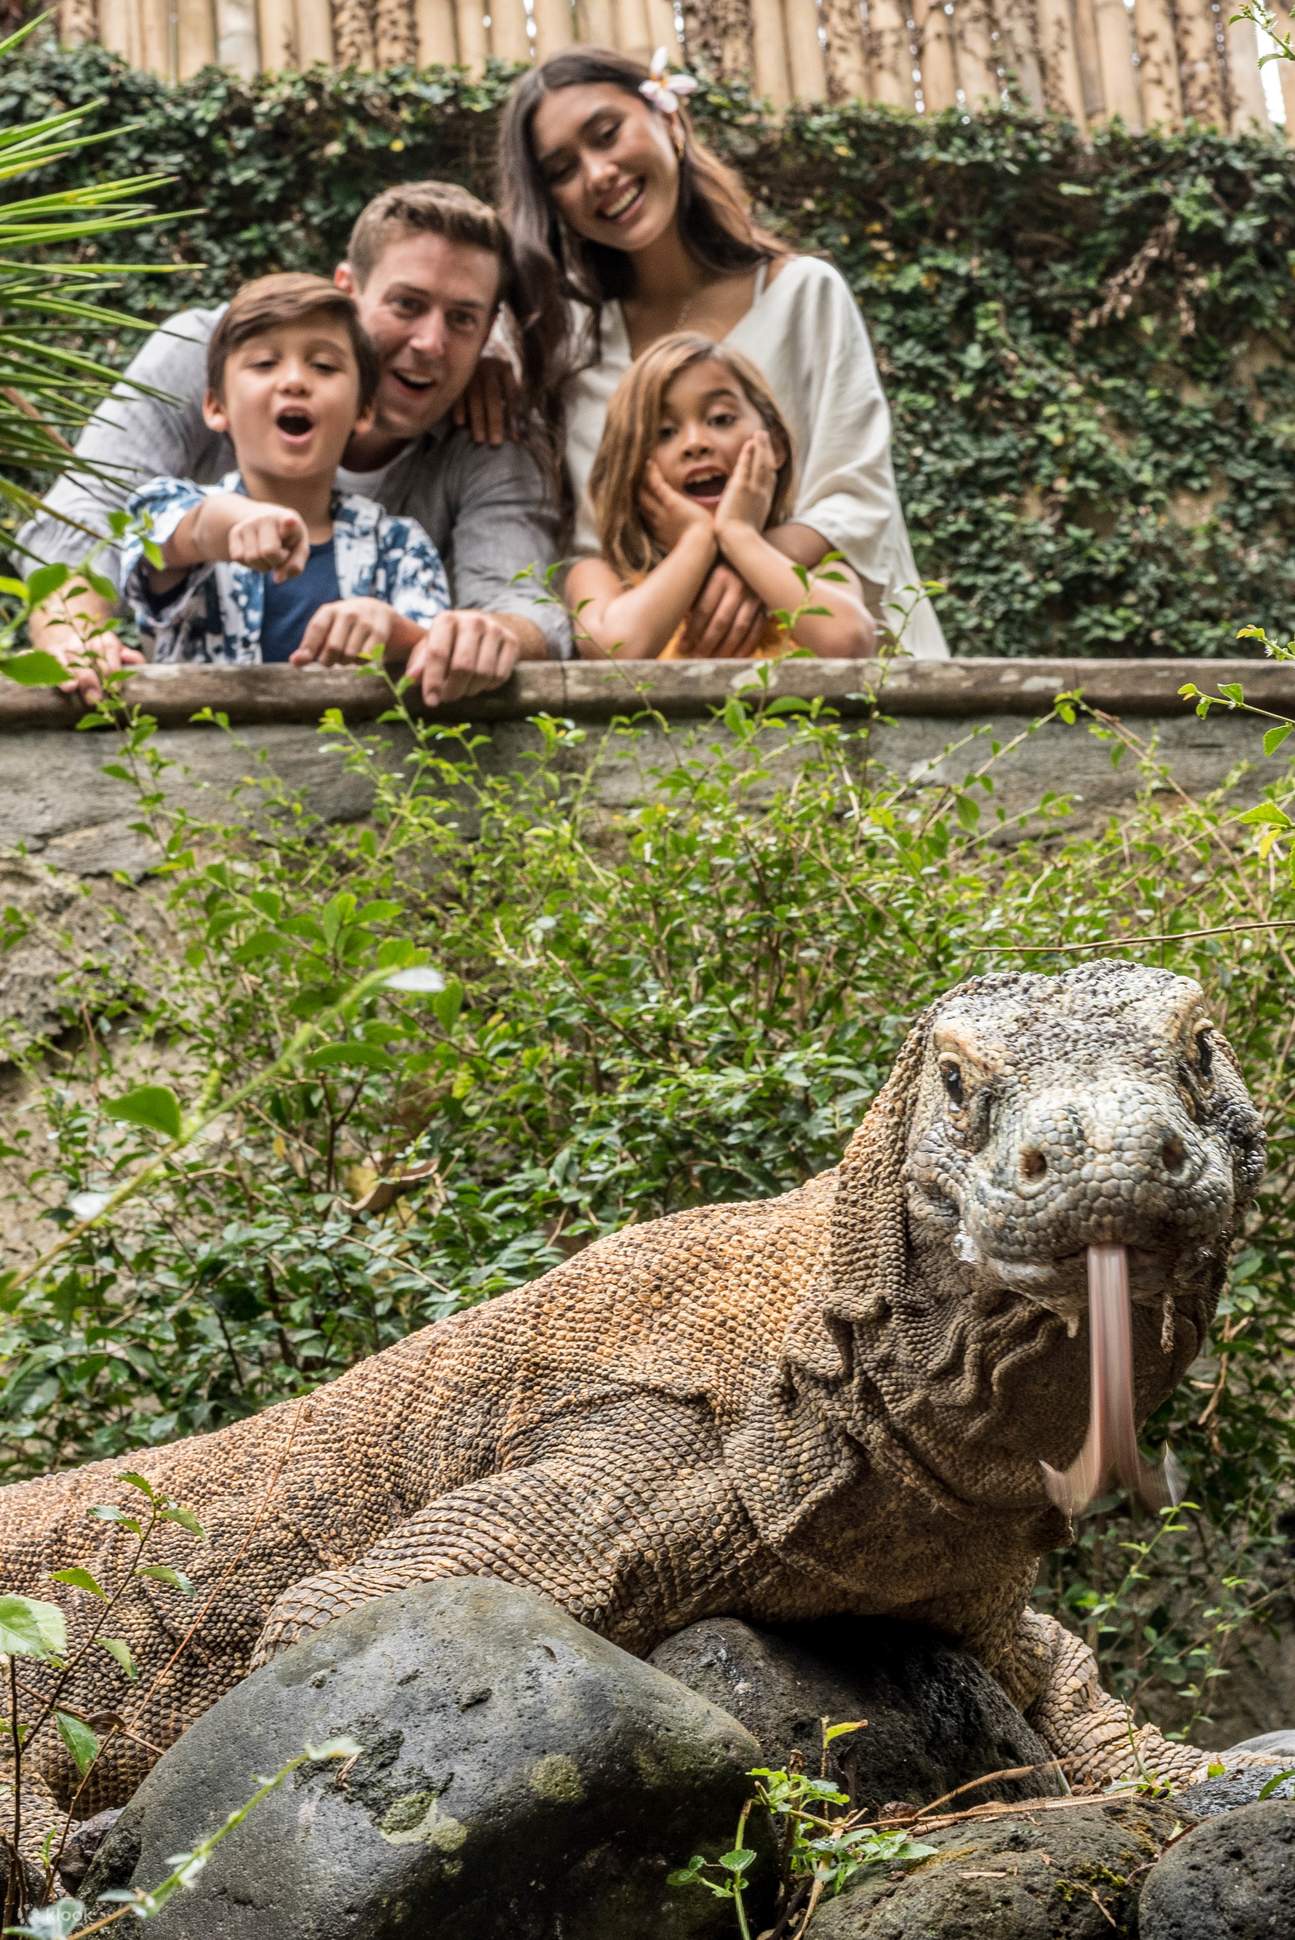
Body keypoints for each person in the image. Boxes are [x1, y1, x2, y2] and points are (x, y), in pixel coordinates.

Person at [17, 181, 568, 705]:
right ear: (347, 291)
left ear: (490, 326)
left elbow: (520, 603)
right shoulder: (212, 355)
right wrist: (76, 639)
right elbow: (91, 513)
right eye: (406, 304)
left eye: (462, 319)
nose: (430, 342)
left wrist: (475, 639)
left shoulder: (490, 431)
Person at [498, 46, 947, 662]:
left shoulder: (802, 296)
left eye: (607, 134)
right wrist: (487, 372)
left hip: (841, 672)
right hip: (662, 700)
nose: (597, 173)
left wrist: (745, 565)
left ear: (670, 120)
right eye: (561, 170)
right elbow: (590, 547)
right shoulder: (568, 346)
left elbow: (856, 495)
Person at [121, 273, 450, 670]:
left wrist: (392, 633)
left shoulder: (401, 548)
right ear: (215, 407)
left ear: (364, 411)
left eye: (324, 366)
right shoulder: (168, 507)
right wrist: (236, 520)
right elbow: (170, 537)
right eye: (264, 363)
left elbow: (437, 658)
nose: (294, 381)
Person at [569, 332, 873, 662]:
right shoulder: (603, 575)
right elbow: (615, 650)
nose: (695, 443)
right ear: (627, 467)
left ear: (775, 445)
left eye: (721, 419)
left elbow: (850, 641)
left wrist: (739, 536)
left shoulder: (816, 569)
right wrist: (697, 540)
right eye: (664, 433)